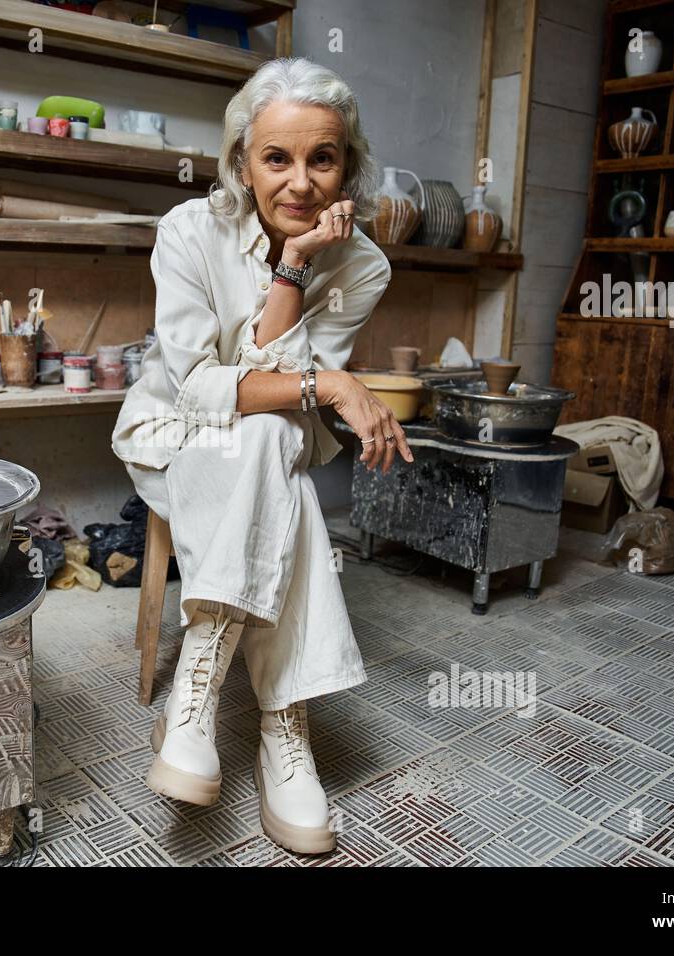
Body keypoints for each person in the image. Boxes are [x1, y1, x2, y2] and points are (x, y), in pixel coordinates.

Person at [110, 57, 412, 854]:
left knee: (273, 432)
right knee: (271, 433)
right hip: (174, 431)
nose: (302, 182)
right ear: (242, 162)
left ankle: (198, 704)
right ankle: (285, 730)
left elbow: (274, 387)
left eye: (324, 157)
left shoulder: (364, 265)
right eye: (277, 158)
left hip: (272, 442)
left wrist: (299, 265)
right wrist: (334, 381)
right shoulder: (187, 231)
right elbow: (203, 392)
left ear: (349, 164)